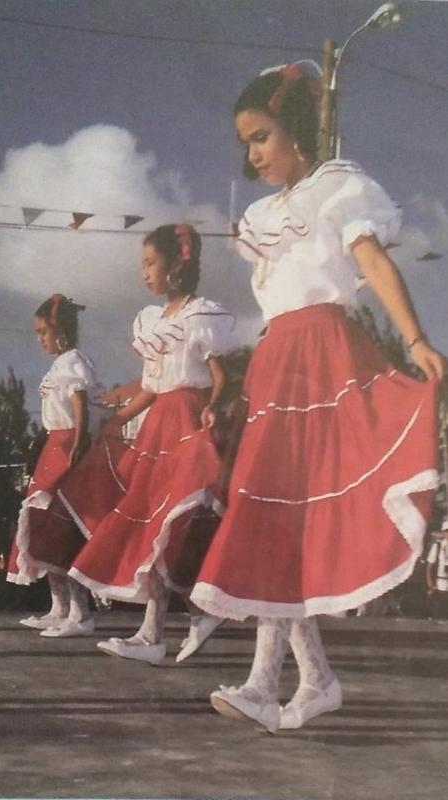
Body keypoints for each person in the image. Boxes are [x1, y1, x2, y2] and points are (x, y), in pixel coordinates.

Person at [190, 63, 446, 733]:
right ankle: (316, 681)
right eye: (245, 142)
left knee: (283, 512)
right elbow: (274, 308)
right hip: (278, 362)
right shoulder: (261, 216)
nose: (253, 154)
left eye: (262, 137)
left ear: (295, 129)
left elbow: (373, 264)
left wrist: (415, 339)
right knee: (277, 514)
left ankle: (262, 683)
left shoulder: (339, 188)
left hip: (326, 356)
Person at [59, 224, 237, 663]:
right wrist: (117, 419)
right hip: (160, 425)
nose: (144, 273)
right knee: (151, 526)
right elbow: (153, 387)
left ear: (177, 266)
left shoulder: (201, 315)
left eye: (151, 263)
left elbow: (222, 376)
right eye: (143, 265)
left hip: (190, 420)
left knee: (182, 518)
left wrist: (214, 406)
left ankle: (205, 605)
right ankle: (153, 632)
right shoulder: (153, 321)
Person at [7, 294, 103, 636]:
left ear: (60, 331)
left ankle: (80, 613)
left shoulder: (73, 361)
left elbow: (80, 402)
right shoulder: (59, 364)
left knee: (64, 529)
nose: (39, 339)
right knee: (43, 526)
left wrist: (78, 441)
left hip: (67, 447)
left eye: (43, 332)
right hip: (53, 448)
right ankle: (58, 605)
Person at [426, 519, 448, 619]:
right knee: (440, 613)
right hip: (440, 583)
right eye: (447, 531)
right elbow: (429, 567)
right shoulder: (438, 546)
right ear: (443, 532)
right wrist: (430, 585)